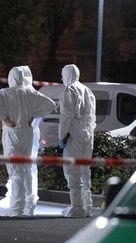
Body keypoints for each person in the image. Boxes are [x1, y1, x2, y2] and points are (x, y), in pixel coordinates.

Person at [0, 65, 55, 217]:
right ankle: (29, 206)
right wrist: (34, 115)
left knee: (16, 171)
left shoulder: (5, 93)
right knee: (26, 170)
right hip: (27, 134)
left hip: (12, 134)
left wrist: (5, 118)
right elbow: (51, 105)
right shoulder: (31, 93)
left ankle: (16, 208)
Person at [58, 64, 96, 217]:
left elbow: (66, 116)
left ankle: (76, 206)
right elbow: (93, 117)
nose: (61, 78)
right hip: (88, 134)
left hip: (73, 134)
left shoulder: (69, 90)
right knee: (85, 169)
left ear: (67, 75)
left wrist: (62, 136)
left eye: (62, 74)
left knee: (72, 170)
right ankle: (88, 205)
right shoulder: (88, 91)